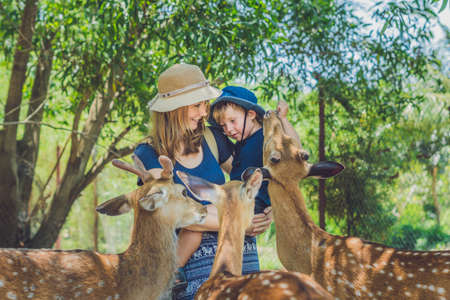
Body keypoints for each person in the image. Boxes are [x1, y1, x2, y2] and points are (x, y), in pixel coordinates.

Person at [133, 64, 272, 300]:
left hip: (240, 258)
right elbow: (171, 213)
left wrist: (264, 207)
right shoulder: (148, 153)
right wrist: (238, 221)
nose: (204, 112)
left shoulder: (212, 138)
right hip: (185, 275)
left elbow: (245, 178)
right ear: (173, 109)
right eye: (196, 105)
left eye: (204, 104)